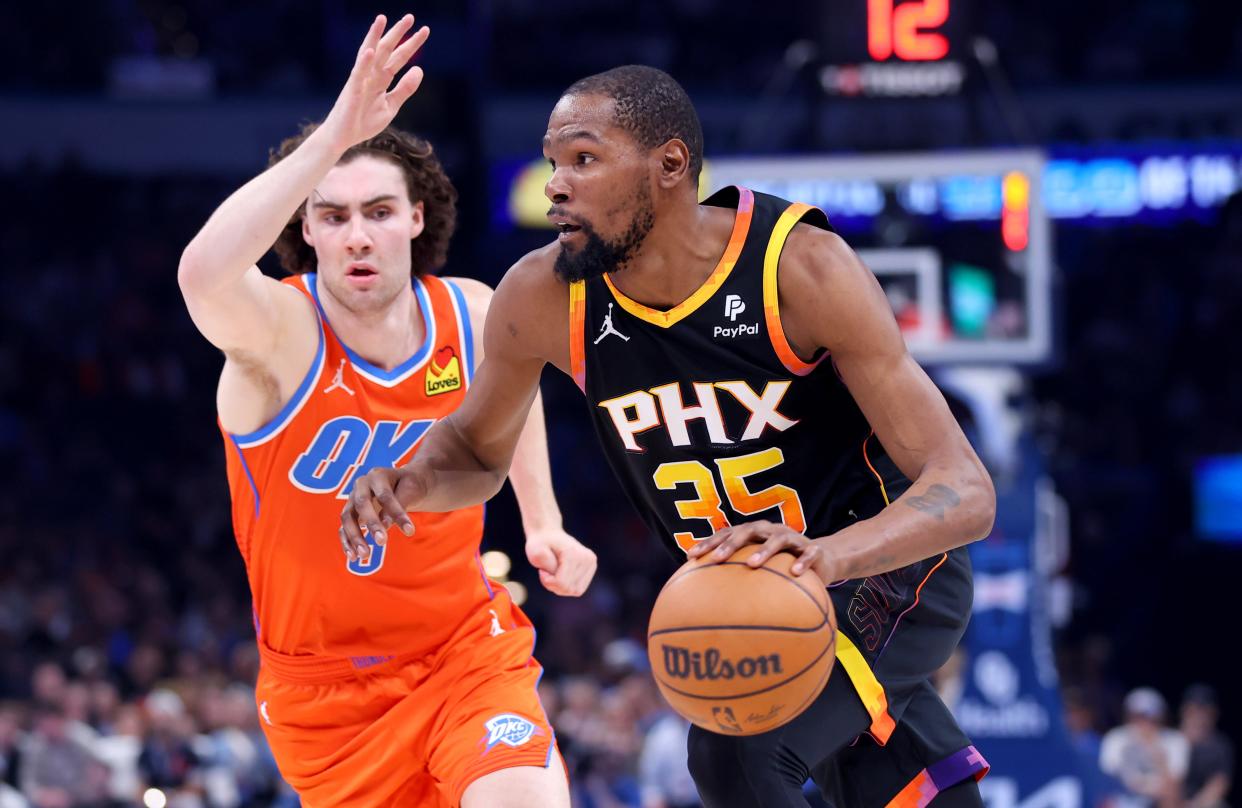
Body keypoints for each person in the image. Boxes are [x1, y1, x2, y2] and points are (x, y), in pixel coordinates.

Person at [341, 64, 996, 806]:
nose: (556, 184)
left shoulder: (798, 269)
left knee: (738, 744)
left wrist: (826, 558)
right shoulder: (542, 295)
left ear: (670, 165)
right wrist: (408, 480)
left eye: (583, 160)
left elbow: (965, 490)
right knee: (889, 779)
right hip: (750, 593)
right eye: (554, 162)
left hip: (882, 569)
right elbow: (475, 453)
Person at [177, 14, 595, 807]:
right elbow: (202, 276)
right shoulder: (279, 336)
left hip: (463, 651)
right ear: (306, 226)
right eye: (332, 215)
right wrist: (336, 135)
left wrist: (542, 520)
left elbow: (518, 390)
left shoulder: (471, 314)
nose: (357, 235)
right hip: (324, 698)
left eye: (377, 211)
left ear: (416, 218)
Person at [1099, 687, 1189, 808]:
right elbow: (1107, 779)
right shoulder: (1116, 738)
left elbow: (1174, 787)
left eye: (1150, 717)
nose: (1144, 723)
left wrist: (1158, 756)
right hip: (1124, 798)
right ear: (1128, 716)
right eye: (1138, 716)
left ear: (1161, 717)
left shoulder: (1174, 740)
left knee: (1171, 799)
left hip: (1158, 801)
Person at [1178, 684, 1233, 808]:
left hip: (1200, 803)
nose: (1199, 717)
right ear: (1184, 711)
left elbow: (1219, 783)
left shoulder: (1220, 746)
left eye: (1205, 711)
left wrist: (1194, 805)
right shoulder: (1170, 740)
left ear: (1214, 714)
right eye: (1194, 710)